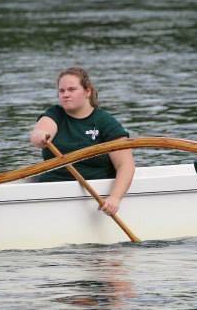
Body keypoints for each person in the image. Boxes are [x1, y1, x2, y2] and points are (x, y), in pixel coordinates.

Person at [29, 67, 134, 216]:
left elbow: (125, 165)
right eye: (62, 91)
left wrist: (115, 198)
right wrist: (40, 136)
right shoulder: (55, 114)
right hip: (50, 189)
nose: (65, 95)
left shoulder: (105, 122)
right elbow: (41, 130)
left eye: (72, 89)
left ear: (87, 92)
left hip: (95, 191)